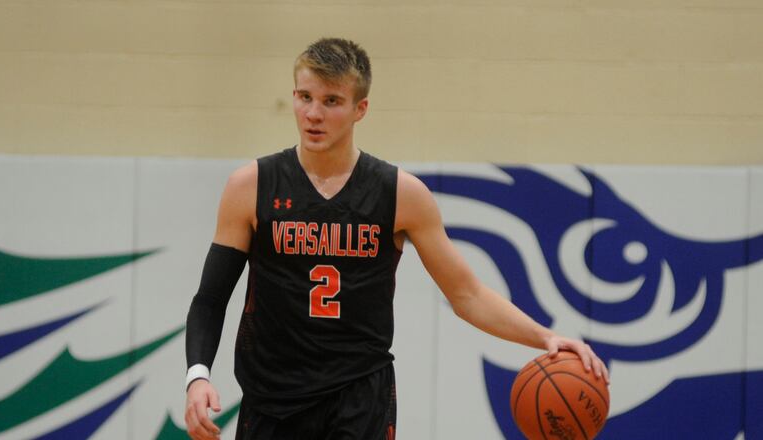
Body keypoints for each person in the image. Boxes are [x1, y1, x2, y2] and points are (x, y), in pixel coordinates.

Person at [184, 37, 609, 440]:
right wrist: (198, 374)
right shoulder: (252, 185)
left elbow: (467, 294)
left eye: (332, 101)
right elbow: (210, 298)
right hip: (272, 398)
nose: (313, 113)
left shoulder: (400, 193)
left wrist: (546, 338)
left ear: (360, 108)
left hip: (359, 399)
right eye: (304, 97)